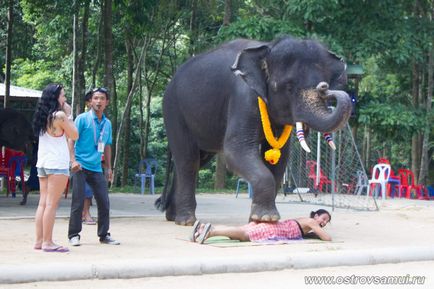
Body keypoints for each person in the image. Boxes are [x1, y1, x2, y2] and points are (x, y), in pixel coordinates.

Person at [68, 87, 120, 246]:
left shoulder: (107, 123)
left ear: (107, 102)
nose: (98, 101)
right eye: (96, 98)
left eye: (102, 99)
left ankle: (104, 235)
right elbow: (71, 139)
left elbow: (107, 146)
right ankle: (73, 235)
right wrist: (73, 161)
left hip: (97, 167)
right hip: (80, 166)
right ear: (90, 102)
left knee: (104, 201)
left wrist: (109, 167)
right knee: (78, 201)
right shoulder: (82, 119)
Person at [33, 84, 78, 252]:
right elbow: (74, 135)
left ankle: (39, 241)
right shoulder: (59, 116)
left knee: (43, 204)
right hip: (57, 165)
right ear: (55, 98)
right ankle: (48, 242)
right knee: (51, 204)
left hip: (43, 163)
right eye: (63, 96)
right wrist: (70, 114)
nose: (65, 99)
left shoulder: (42, 115)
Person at [191, 209, 332, 244]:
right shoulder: (312, 222)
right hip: (275, 229)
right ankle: (210, 232)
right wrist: (320, 232)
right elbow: (327, 239)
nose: (324, 223)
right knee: (244, 235)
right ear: (316, 216)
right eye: (324, 218)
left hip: (275, 226)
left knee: (242, 229)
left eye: (327, 222)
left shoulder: (305, 221)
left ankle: (203, 227)